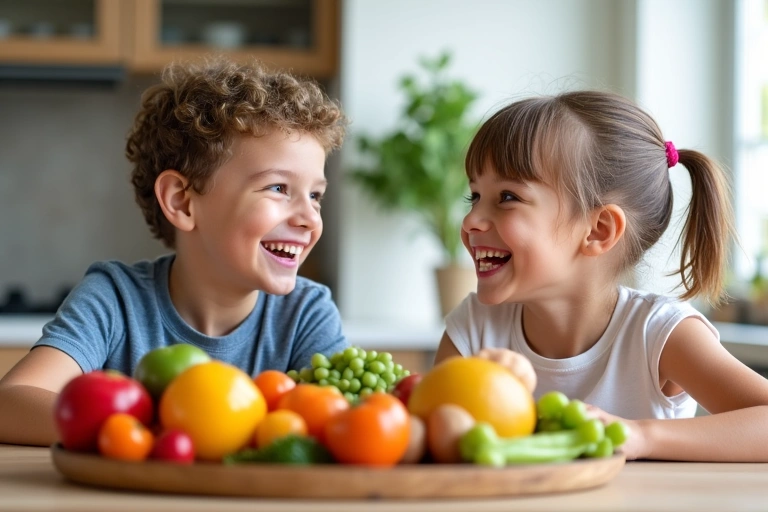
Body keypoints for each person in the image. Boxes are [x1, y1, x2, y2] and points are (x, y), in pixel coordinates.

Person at [0, 57, 349, 446]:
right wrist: (152, 436)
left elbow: (344, 430)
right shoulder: (115, 299)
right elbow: (11, 402)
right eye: (279, 188)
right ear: (182, 202)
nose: (309, 218)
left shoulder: (306, 314)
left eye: (315, 195)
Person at [434, 90, 768, 462]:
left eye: (507, 197)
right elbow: (431, 433)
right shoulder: (475, 326)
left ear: (598, 230)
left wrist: (642, 436)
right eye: (474, 196)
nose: (470, 221)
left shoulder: (658, 333)